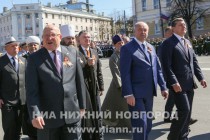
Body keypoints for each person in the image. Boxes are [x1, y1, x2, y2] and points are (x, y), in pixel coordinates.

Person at [26, 24, 86, 140]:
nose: (49, 38)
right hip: (47, 118)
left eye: (53, 35)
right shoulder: (34, 59)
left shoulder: (72, 53)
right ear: (42, 38)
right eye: (46, 36)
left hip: (72, 114)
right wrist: (35, 114)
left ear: (60, 36)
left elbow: (79, 81)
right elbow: (32, 90)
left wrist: (82, 106)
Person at [120, 21, 168, 140]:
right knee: (140, 124)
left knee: (148, 125)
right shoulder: (127, 48)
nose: (143, 32)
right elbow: (125, 73)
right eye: (140, 30)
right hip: (135, 95)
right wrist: (128, 94)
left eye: (145, 30)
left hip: (149, 93)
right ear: (135, 31)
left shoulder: (151, 47)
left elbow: (157, 68)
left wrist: (163, 86)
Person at [161, 18, 207, 140]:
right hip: (177, 84)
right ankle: (173, 137)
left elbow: (194, 61)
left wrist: (201, 77)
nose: (184, 27)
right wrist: (173, 82)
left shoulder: (187, 41)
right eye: (181, 25)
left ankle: (183, 136)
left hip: (189, 83)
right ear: (173, 28)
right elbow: (166, 66)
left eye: (184, 25)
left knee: (187, 112)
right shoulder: (168, 43)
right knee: (184, 110)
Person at [78, 30, 104, 140]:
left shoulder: (94, 51)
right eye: (84, 37)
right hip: (84, 89)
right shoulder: (76, 53)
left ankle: (99, 135)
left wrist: (101, 86)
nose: (87, 39)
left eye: (89, 37)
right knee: (87, 115)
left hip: (95, 88)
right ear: (79, 40)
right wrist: (85, 64)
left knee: (97, 111)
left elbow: (99, 71)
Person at [101, 35, 131, 129]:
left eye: (122, 42)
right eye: (119, 43)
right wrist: (122, 86)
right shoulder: (113, 57)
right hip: (118, 86)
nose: (121, 44)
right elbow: (116, 73)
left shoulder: (126, 53)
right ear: (114, 45)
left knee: (114, 104)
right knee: (121, 105)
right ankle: (128, 125)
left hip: (128, 82)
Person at [0, 36, 26, 140]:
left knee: (18, 129)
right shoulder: (1, 61)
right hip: (7, 101)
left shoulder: (23, 60)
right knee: (9, 129)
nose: (16, 47)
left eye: (17, 45)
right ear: (6, 48)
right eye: (12, 46)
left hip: (22, 101)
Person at [21, 35, 41, 140]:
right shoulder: (23, 59)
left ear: (39, 45)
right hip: (27, 94)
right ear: (26, 47)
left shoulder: (43, 56)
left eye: (35, 45)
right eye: (30, 45)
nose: (33, 47)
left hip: (42, 93)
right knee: (29, 118)